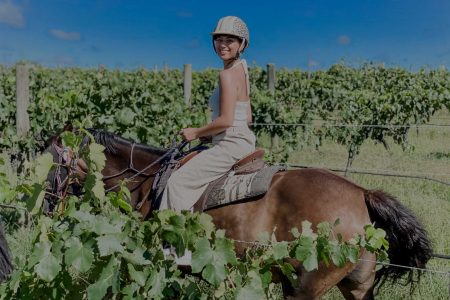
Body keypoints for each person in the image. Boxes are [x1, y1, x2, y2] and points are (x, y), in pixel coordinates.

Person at [159, 16, 256, 212]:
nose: (223, 45)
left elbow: (227, 120)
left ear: (242, 44)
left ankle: (168, 241)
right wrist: (211, 133)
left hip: (229, 146)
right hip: (243, 141)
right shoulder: (242, 71)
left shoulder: (226, 75)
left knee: (177, 183)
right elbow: (247, 117)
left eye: (230, 40)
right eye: (219, 39)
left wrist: (195, 132)